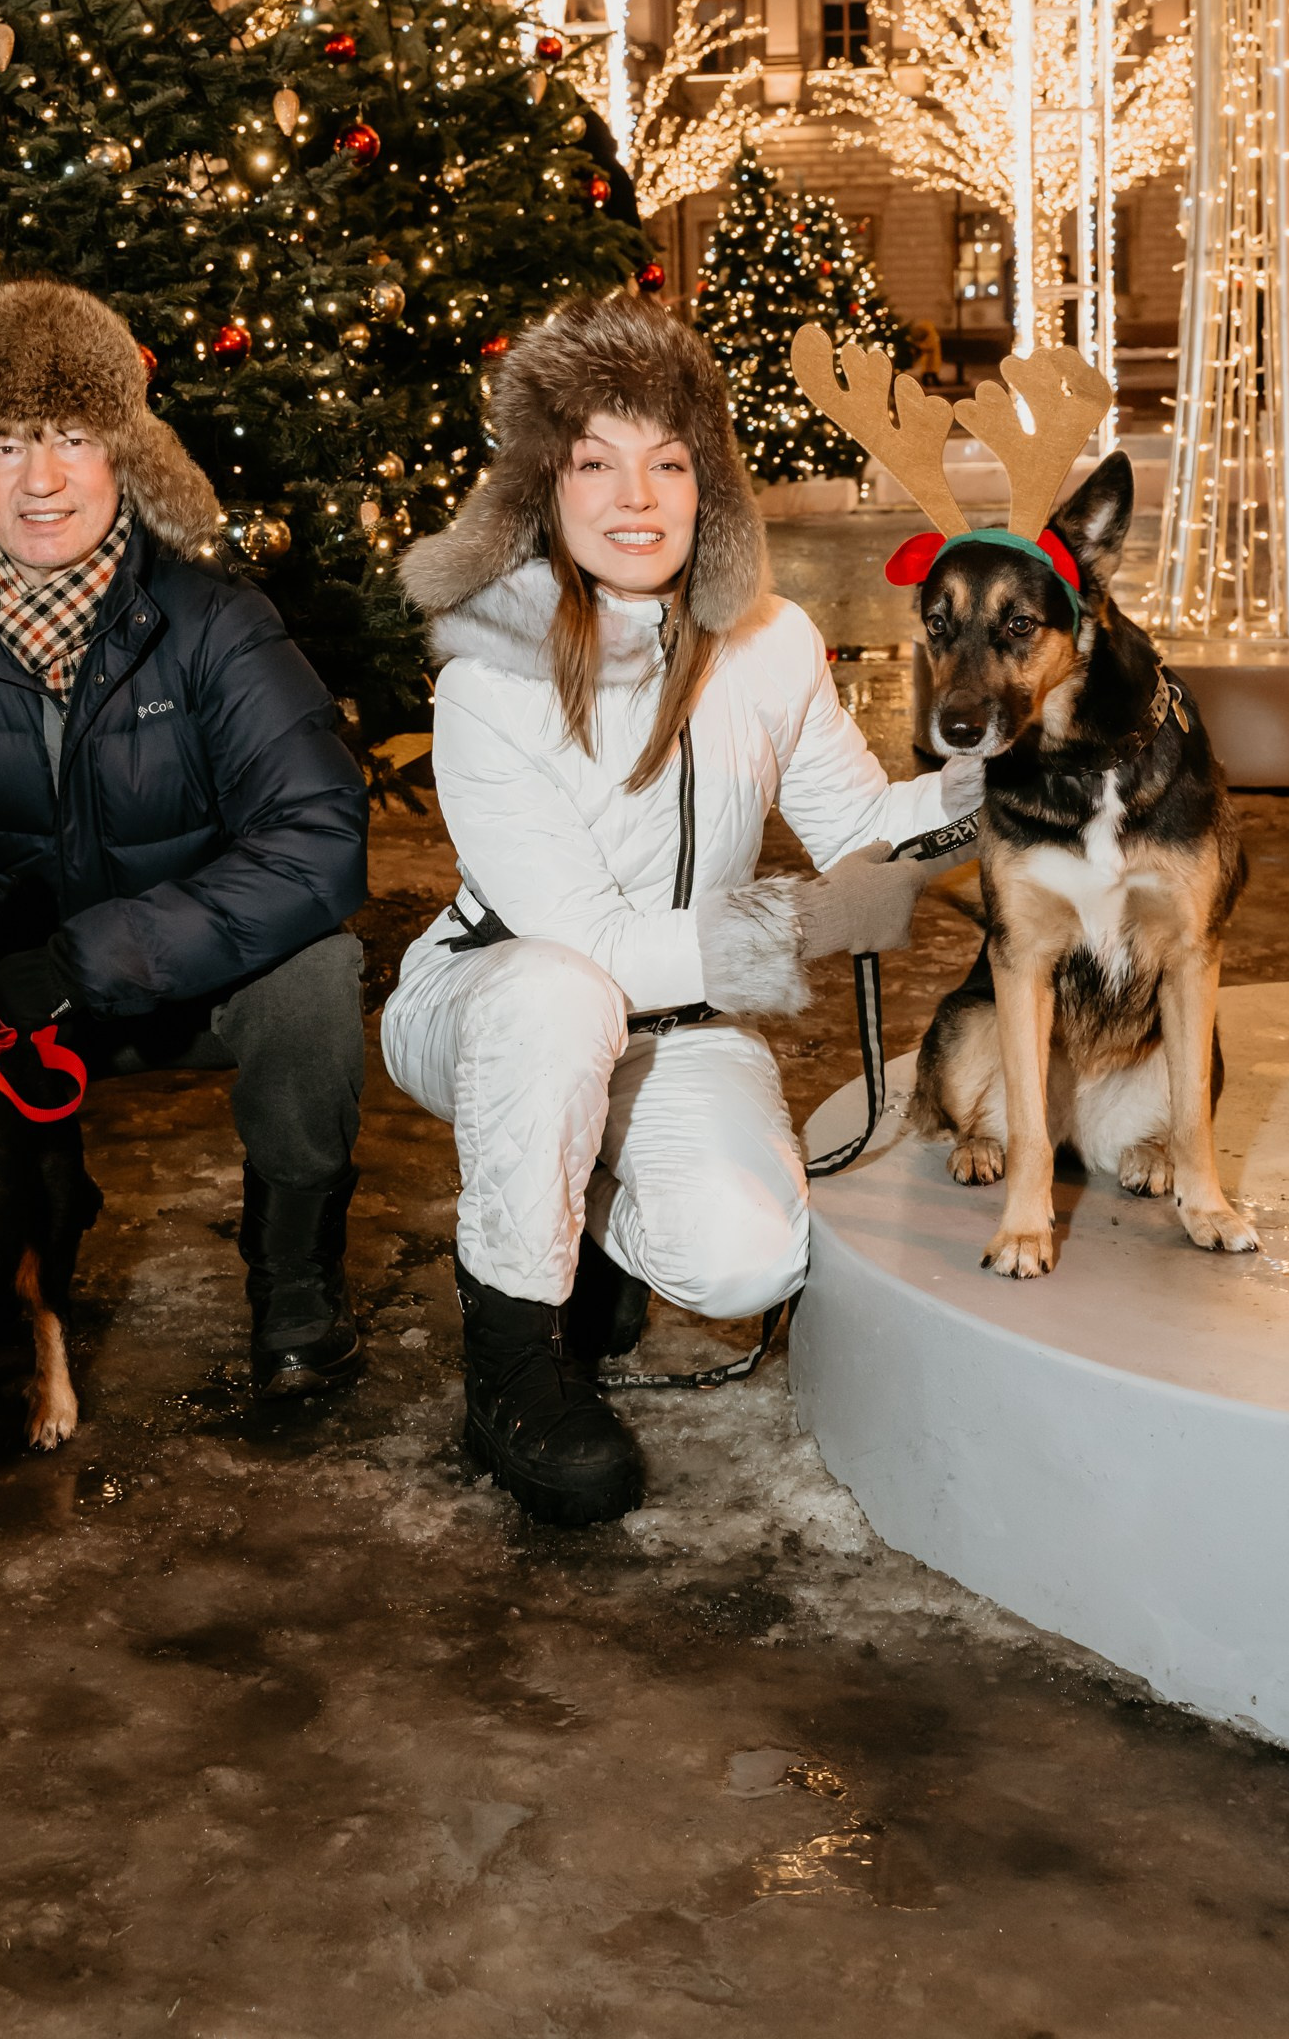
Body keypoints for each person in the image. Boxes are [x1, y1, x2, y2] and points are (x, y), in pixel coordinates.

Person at [382, 295, 982, 1528]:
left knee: (744, 1257)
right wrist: (795, 927)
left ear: (706, 480)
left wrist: (1008, 777)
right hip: (494, 999)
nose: (635, 499)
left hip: (682, 1020)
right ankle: (508, 1367)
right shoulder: (487, 674)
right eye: (595, 464)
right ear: (544, 486)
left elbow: (856, 826)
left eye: (665, 462)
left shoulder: (770, 644)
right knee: (560, 997)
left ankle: (575, 1212)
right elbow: (584, 942)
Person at [0, 279, 370, 1398]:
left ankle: (294, 1271)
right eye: (5, 445)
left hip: (178, 981)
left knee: (315, 973)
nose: (39, 479)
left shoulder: (213, 624)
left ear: (126, 459)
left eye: (71, 439)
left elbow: (318, 837)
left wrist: (90, 960)